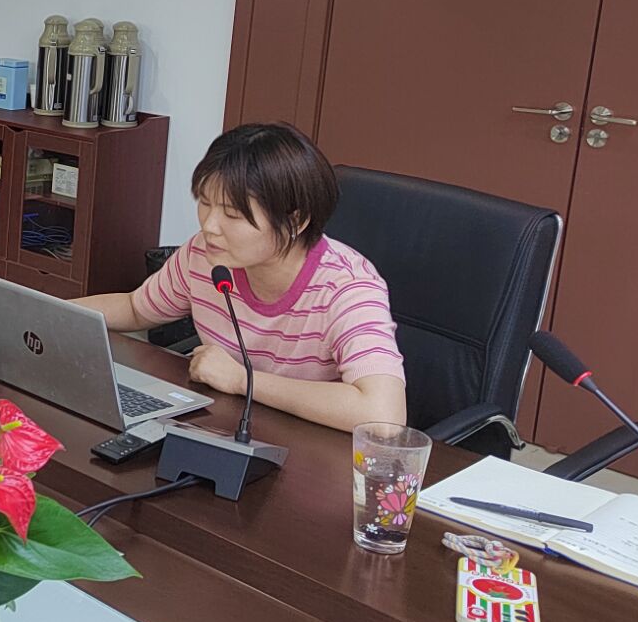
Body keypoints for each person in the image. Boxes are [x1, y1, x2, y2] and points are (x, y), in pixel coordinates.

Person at [77, 122, 405, 433]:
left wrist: (241, 380)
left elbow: (382, 416)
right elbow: (136, 309)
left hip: (312, 448)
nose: (209, 226)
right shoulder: (205, 254)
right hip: (227, 427)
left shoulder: (347, 287)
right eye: (205, 204)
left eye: (233, 214)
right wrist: (52, 314)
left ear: (295, 221)